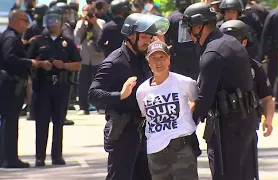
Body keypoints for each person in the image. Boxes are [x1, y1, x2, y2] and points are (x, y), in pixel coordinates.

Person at [88, 13, 169, 180]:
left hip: (146, 131)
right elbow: (93, 94)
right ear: (131, 35)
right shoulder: (115, 61)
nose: (148, 41)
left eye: (150, 37)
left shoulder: (144, 58)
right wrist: (120, 95)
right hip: (123, 131)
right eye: (145, 36)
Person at [181, 3, 258, 179]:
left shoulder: (213, 52)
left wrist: (184, 126)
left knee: (225, 173)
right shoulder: (228, 42)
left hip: (229, 124)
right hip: (244, 119)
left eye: (190, 28)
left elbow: (204, 97)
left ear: (199, 26)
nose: (189, 34)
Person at [220, 19, 275, 179]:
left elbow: (267, 98)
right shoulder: (214, 64)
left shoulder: (254, 67)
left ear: (244, 42)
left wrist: (268, 120)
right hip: (222, 126)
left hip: (247, 125)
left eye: (235, 41)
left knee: (247, 170)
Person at [136, 41, 200, 180]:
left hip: (181, 147)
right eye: (154, 58)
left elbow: (198, 100)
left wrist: (188, 117)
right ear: (148, 61)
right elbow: (145, 115)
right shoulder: (142, 90)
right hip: (155, 150)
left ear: (169, 59)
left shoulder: (184, 82)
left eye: (162, 57)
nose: (158, 62)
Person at [26, 7, 81, 166]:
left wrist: (64, 65)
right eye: (50, 21)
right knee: (41, 123)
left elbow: (78, 65)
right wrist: (41, 64)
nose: (54, 24)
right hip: (42, 86)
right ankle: (40, 157)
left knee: (59, 122)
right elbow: (28, 63)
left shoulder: (67, 43)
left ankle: (57, 155)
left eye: (57, 21)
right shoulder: (37, 41)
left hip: (62, 86)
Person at [0, 10, 40, 168]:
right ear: (17, 21)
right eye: (25, 21)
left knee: (6, 122)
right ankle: (10, 158)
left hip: (8, 85)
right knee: (10, 123)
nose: (27, 24)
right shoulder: (10, 38)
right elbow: (9, 57)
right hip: (11, 86)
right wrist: (30, 62)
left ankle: (4, 157)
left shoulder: (7, 36)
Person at [74, 4, 105, 115]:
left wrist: (94, 23)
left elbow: (103, 35)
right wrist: (83, 22)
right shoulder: (80, 23)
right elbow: (76, 37)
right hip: (85, 57)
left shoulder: (101, 22)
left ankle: (100, 106)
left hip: (98, 57)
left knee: (99, 83)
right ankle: (83, 107)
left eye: (90, 11)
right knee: (83, 83)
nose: (88, 14)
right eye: (85, 11)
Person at [165, 0, 199, 80]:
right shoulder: (197, 15)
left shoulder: (171, 17)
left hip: (177, 58)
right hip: (195, 56)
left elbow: (166, 39)